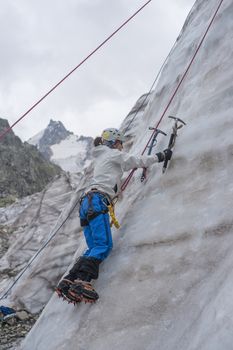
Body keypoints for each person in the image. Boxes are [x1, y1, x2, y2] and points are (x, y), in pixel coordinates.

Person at [56, 128, 172, 303]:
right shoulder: (112, 154)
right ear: (115, 142)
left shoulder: (102, 155)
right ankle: (82, 283)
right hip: (97, 201)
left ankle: (68, 282)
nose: (121, 147)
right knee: (104, 245)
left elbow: (121, 167)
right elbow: (135, 160)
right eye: (120, 143)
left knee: (93, 247)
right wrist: (160, 156)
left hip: (86, 203)